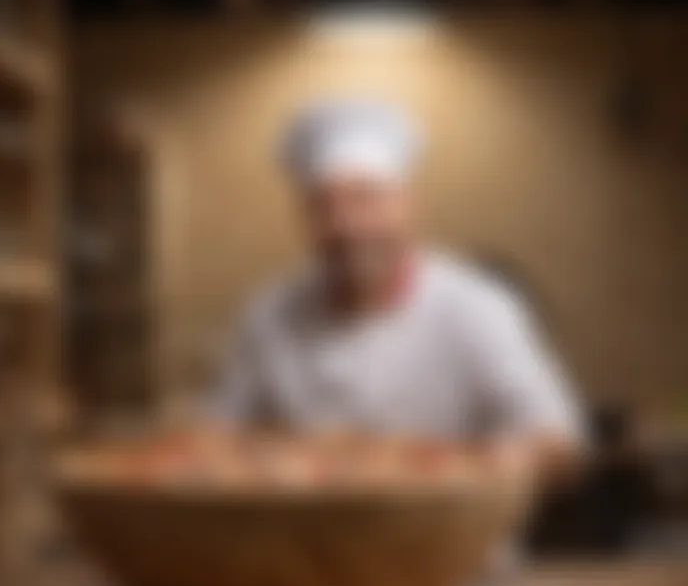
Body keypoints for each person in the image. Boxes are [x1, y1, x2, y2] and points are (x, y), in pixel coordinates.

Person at [208, 99, 582, 467]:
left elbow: (555, 439)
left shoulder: (477, 306)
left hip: (450, 525)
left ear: (407, 205)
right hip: (311, 527)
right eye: (325, 207)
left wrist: (457, 468)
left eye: (365, 200)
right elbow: (217, 438)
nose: (346, 226)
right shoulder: (269, 313)